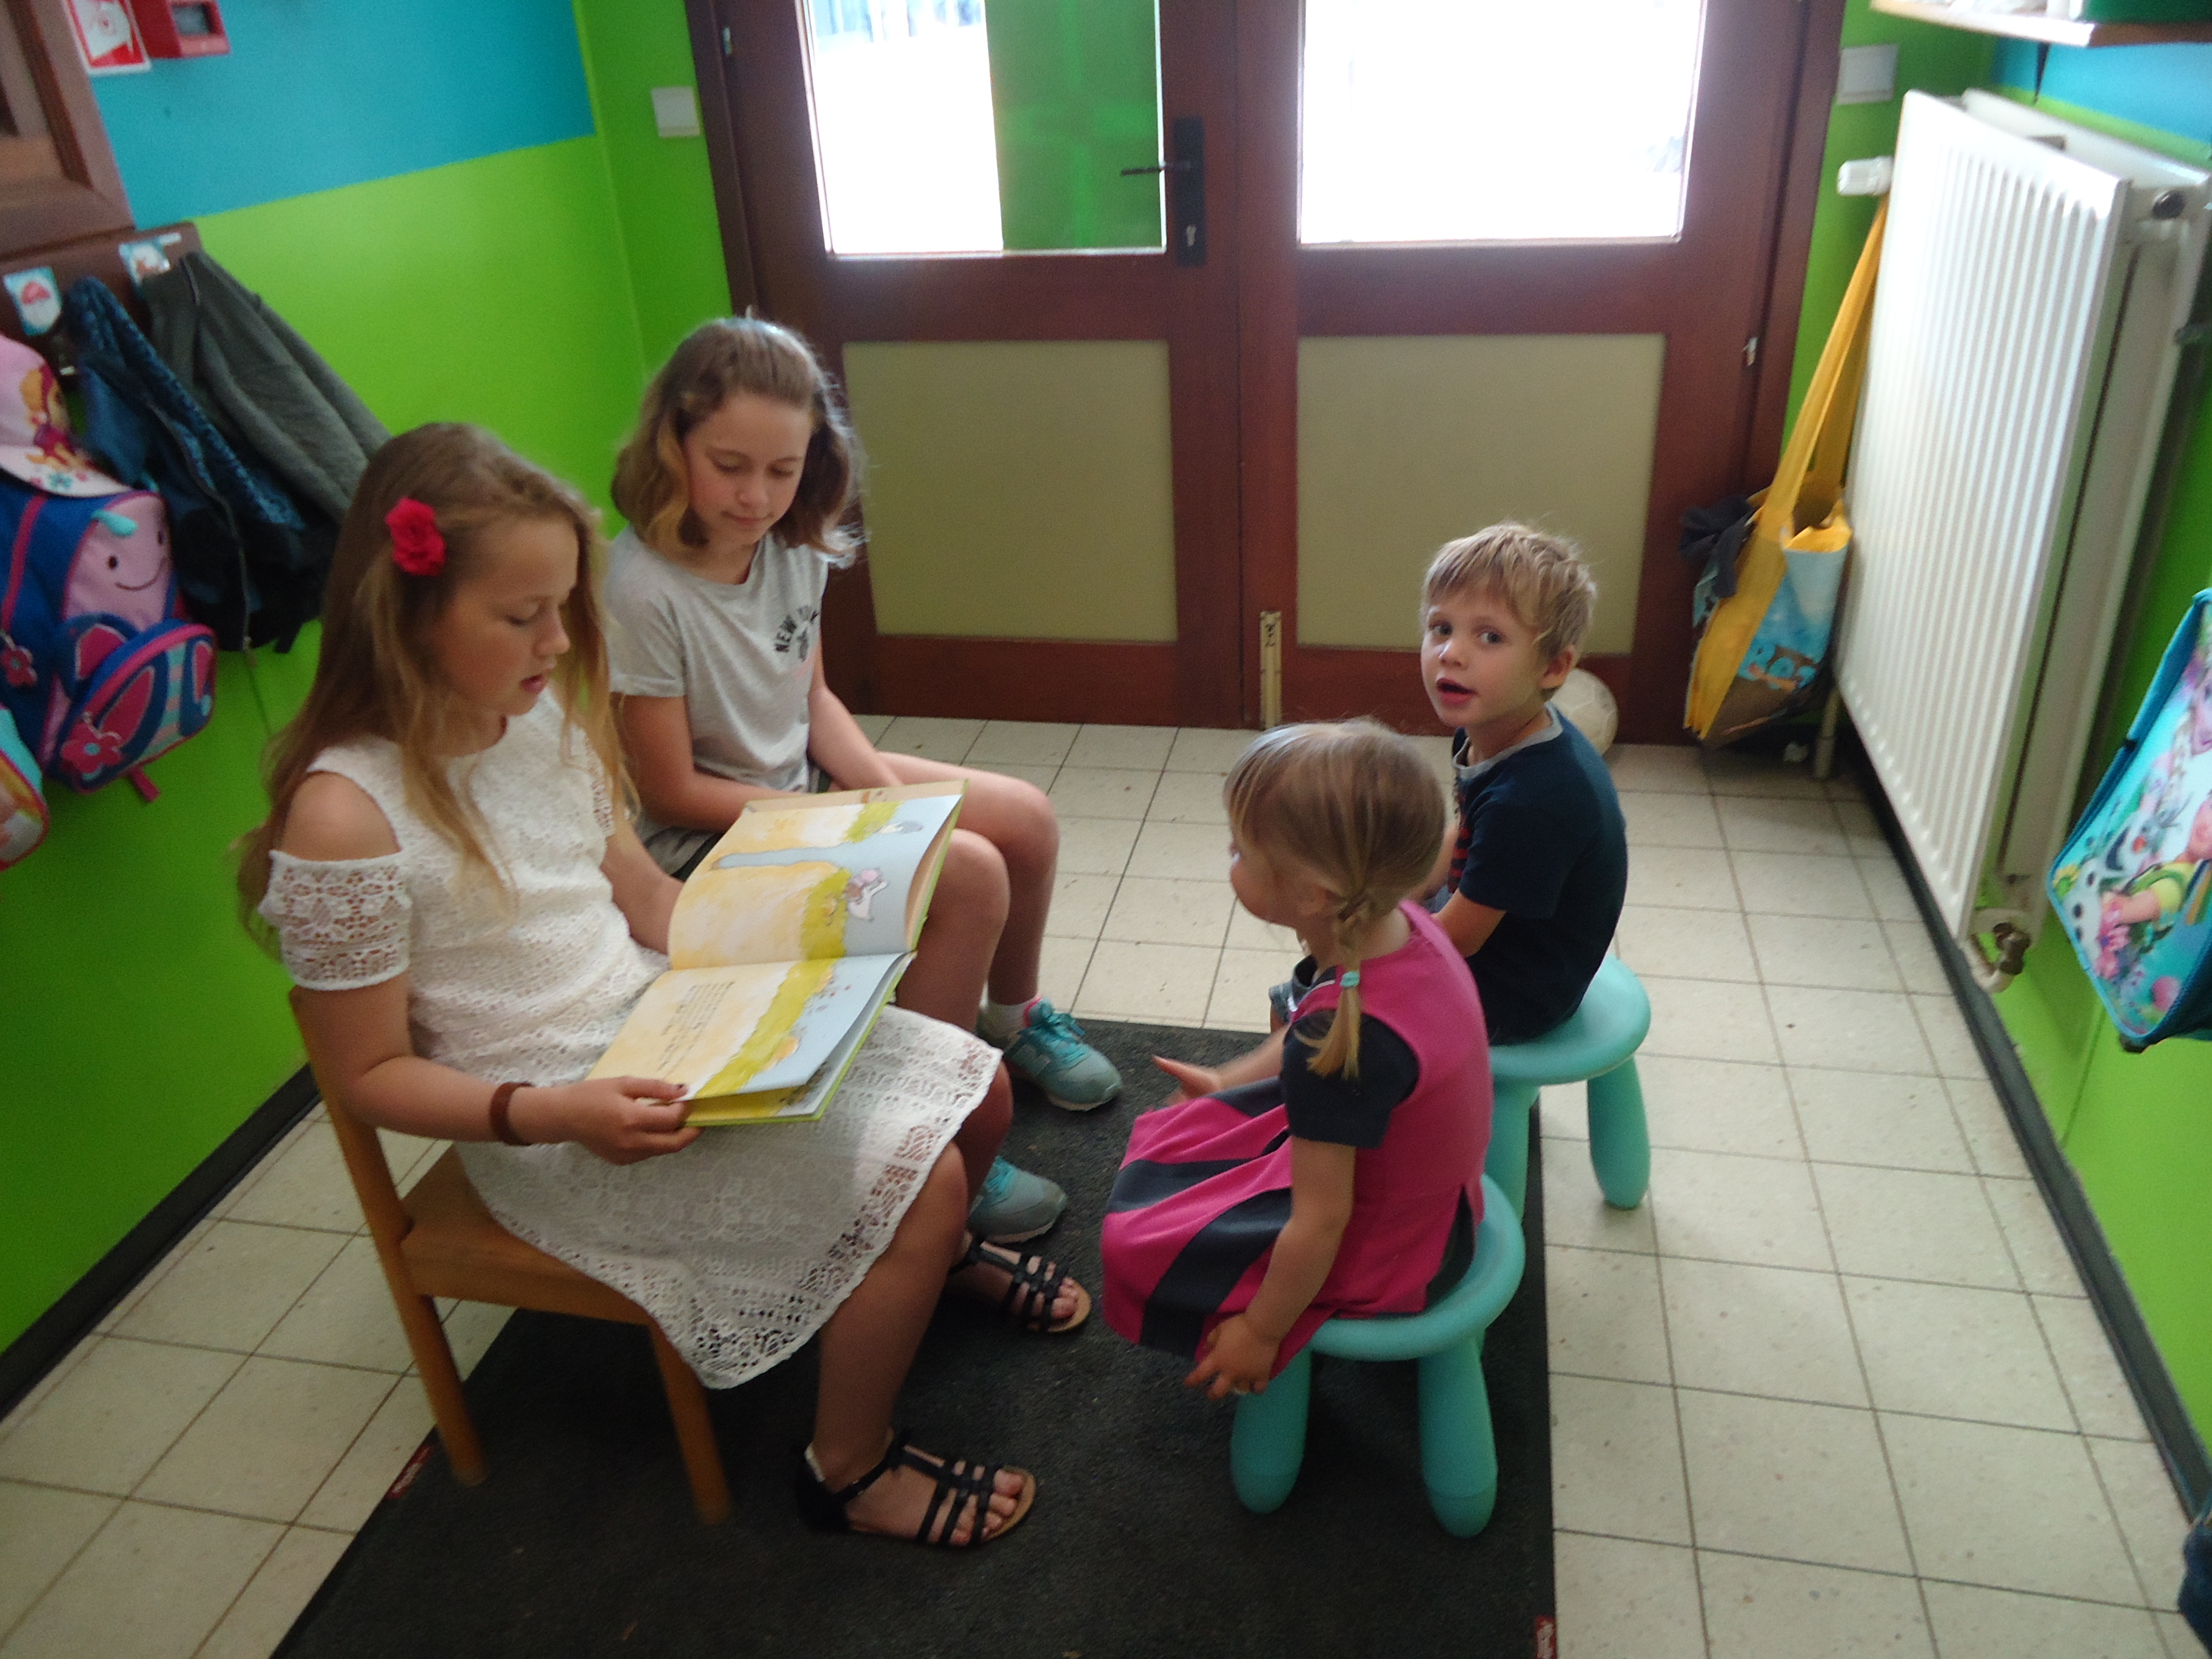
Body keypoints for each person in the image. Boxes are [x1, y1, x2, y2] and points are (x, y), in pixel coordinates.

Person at [238, 423, 1091, 1548]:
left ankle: (923, 1263)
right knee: (926, 1176)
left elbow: (646, 901)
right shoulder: (344, 816)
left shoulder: (531, 713)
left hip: (652, 1019)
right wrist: (550, 1114)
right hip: (551, 1120)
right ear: (409, 613)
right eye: (521, 615)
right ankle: (845, 1470)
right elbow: (365, 1077)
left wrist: (796, 960)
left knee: (975, 1087)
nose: (557, 640)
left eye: (562, 606)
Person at [602, 317, 1119, 1241]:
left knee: (1026, 821)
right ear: (671, 440)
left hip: (794, 785)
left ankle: (1014, 1022)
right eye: (729, 464)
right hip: (705, 841)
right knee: (966, 872)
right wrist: (857, 823)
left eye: (783, 468)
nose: (756, 495)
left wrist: (884, 798)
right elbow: (671, 791)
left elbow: (815, 698)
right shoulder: (641, 592)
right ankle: (938, 1139)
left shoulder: (793, 542)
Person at [1101, 722, 1492, 1394]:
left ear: (1312, 894)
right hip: (1430, 1197)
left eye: (1239, 850)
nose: (1229, 858)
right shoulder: (1402, 922)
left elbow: (1322, 1223)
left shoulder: (1344, 1045)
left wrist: (1261, 1331)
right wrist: (1227, 1080)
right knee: (1193, 1132)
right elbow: (1323, 1015)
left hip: (1394, 1251)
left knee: (1134, 1242)